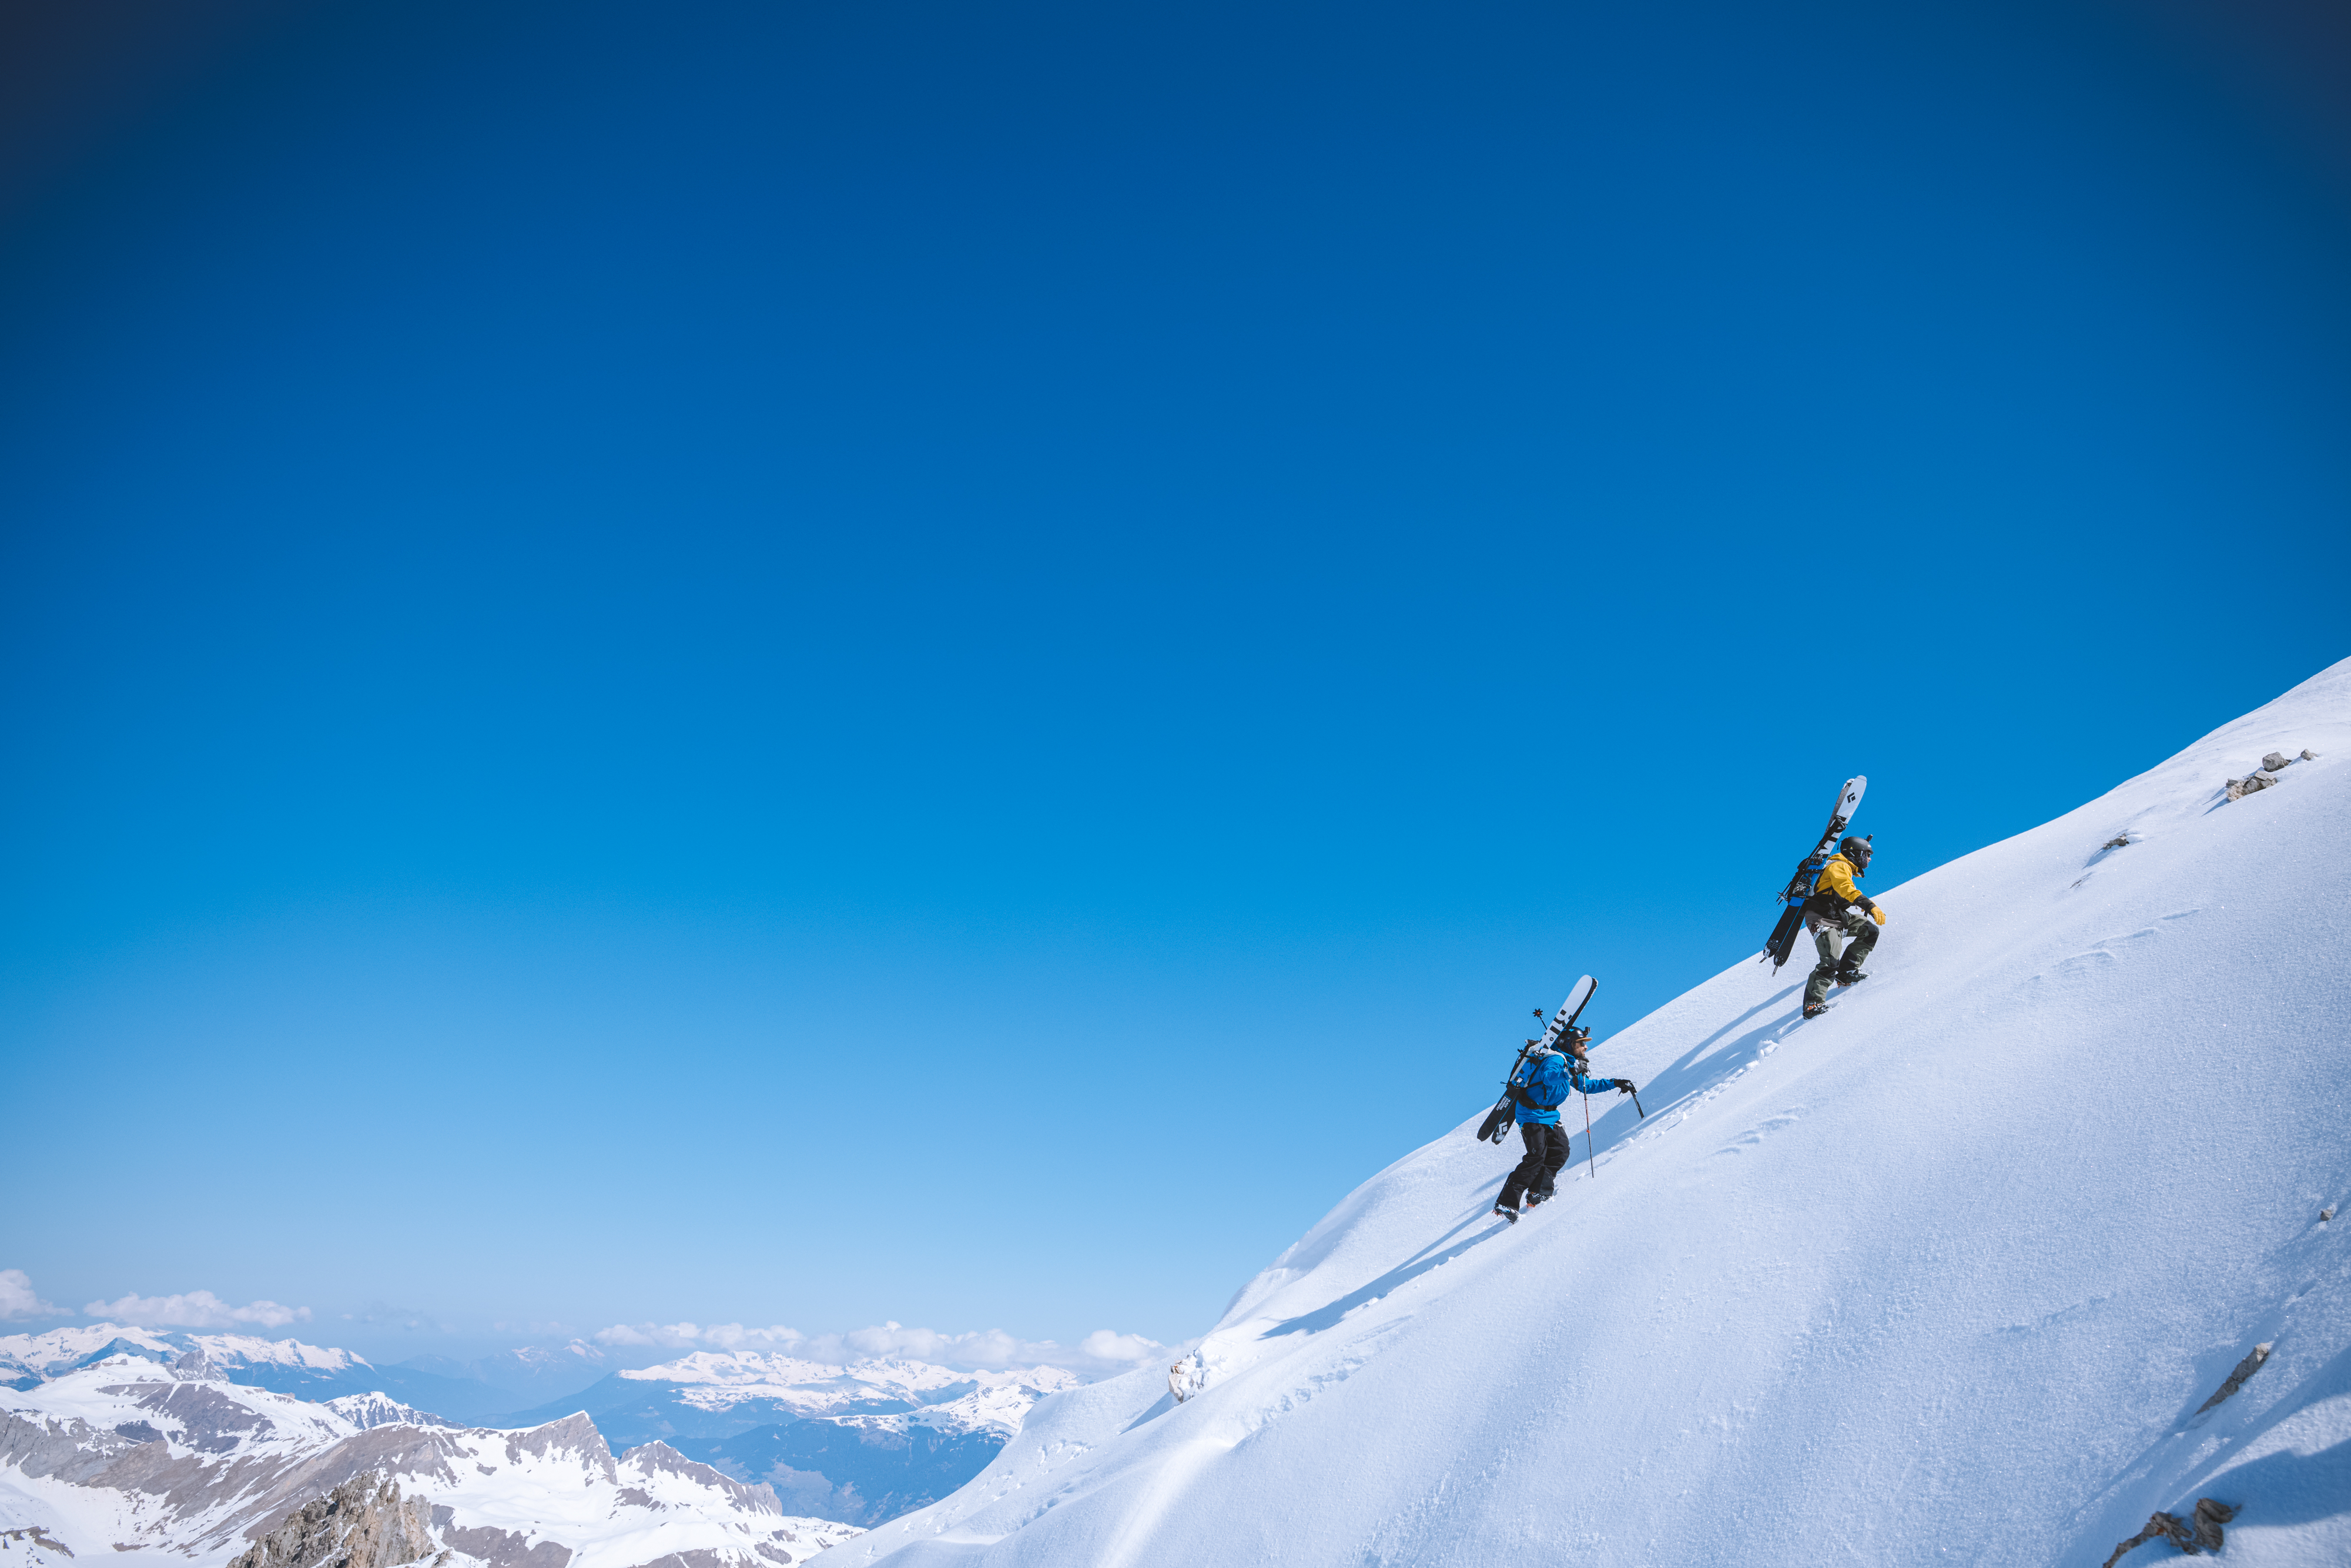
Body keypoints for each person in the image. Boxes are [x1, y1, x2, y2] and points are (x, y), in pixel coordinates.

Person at [1492, 1027, 1635, 1221]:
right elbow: (1550, 1078)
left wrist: (1615, 1083)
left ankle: (1538, 1192)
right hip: (1531, 1115)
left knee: (1560, 1151)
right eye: (1581, 1043)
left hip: (1550, 1115)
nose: (1585, 1047)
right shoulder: (1555, 1059)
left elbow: (1587, 1086)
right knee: (1536, 1157)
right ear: (1568, 1044)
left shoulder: (1570, 1064)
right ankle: (1505, 1203)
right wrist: (1570, 1072)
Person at [1802, 834, 1886, 1018]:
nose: (1870, 859)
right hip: (1822, 920)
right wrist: (1870, 906)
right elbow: (1846, 888)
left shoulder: (1843, 866)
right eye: (1867, 854)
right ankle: (1812, 1006)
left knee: (1870, 931)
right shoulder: (1839, 865)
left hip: (1838, 917)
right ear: (1855, 853)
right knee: (1830, 961)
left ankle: (1847, 972)